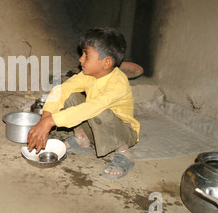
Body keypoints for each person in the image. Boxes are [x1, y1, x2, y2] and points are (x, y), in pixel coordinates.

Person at [27, 27, 140, 179]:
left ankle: (124, 155)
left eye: (86, 55)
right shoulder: (90, 74)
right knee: (69, 94)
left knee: (99, 110)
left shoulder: (118, 83)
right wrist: (45, 118)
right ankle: (82, 140)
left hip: (123, 133)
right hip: (98, 126)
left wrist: (50, 122)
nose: (80, 59)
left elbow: (91, 108)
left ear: (106, 63)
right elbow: (62, 90)